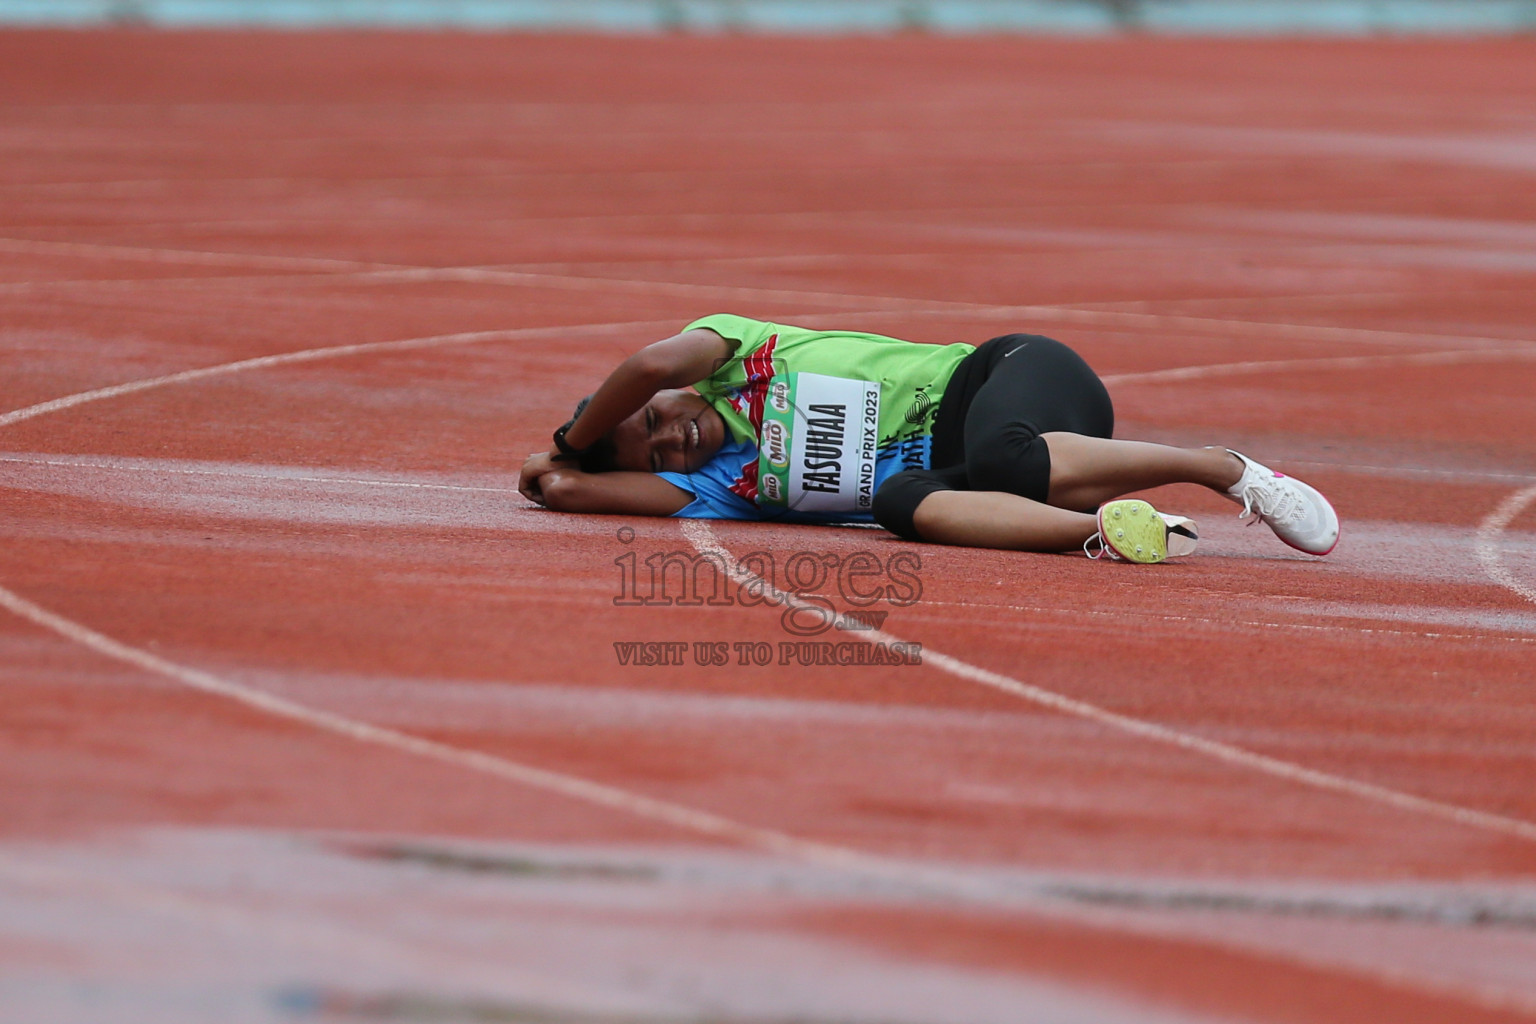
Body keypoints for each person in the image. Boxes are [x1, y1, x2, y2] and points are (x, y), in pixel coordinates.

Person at [517, 314, 1339, 563]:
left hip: (1013, 376)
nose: (671, 440)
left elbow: (649, 360)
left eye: (654, 418)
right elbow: (560, 488)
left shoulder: (733, 353)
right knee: (898, 501)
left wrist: (573, 432)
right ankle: (1113, 534)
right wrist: (560, 464)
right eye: (656, 453)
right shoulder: (717, 485)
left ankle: (1222, 469)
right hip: (1013, 473)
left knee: (999, 454)